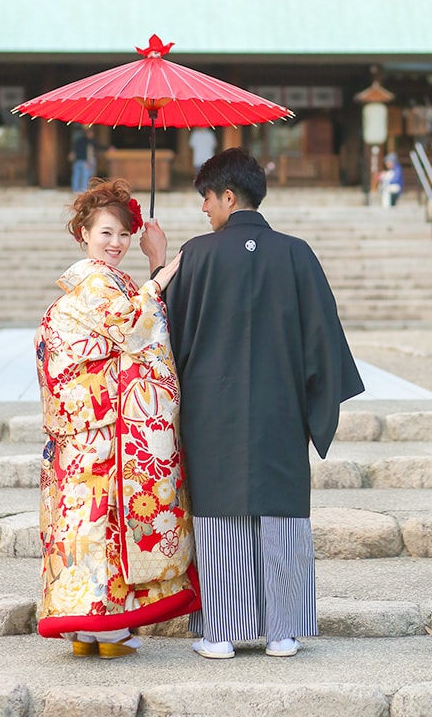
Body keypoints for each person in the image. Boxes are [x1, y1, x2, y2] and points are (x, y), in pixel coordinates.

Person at [140, 147, 364, 660]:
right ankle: (281, 632)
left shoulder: (195, 255)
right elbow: (323, 342)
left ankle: (220, 633)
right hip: (280, 409)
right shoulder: (297, 253)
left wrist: (157, 261)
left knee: (220, 516)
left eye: (207, 199)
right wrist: (315, 408)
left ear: (228, 196)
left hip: (212, 414)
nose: (204, 210)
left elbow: (161, 337)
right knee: (280, 513)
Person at [34, 177, 200, 658]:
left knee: (86, 525)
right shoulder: (95, 282)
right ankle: (105, 629)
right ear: (83, 233)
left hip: (88, 428)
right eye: (106, 232)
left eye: (124, 234)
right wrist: (163, 268)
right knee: (100, 524)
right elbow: (135, 327)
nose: (116, 243)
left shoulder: (106, 282)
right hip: (103, 428)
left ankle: (85, 631)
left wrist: (150, 268)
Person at [69, 124, 96, 193]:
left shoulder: (78, 141)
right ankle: (82, 191)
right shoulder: (88, 142)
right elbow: (88, 152)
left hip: (77, 161)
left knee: (77, 176)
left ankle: (75, 190)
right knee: (84, 176)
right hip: (84, 161)